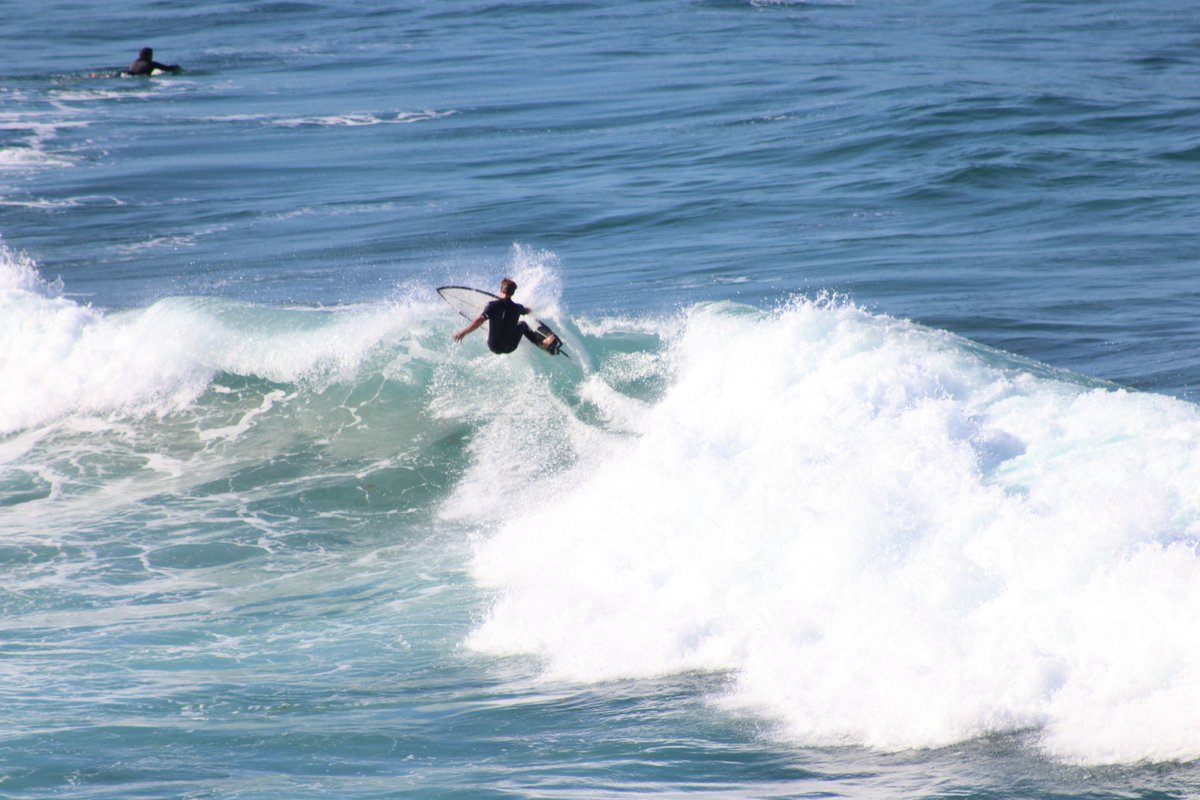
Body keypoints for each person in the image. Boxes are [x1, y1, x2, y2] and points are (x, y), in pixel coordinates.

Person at [453, 278, 560, 355]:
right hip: (510, 347)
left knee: (494, 320)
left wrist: (463, 333)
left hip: (493, 346)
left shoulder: (492, 305)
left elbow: (480, 320)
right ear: (513, 293)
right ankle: (541, 343)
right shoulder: (518, 308)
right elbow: (526, 311)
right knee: (522, 324)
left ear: (501, 290)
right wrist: (531, 310)